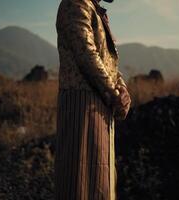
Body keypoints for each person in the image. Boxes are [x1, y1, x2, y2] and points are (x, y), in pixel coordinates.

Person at [54, 0, 131, 199]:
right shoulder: (75, 4)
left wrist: (122, 89)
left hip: (99, 103)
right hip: (81, 106)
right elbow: (86, 55)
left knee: (99, 178)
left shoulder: (92, 8)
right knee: (79, 179)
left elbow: (108, 62)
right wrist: (115, 96)